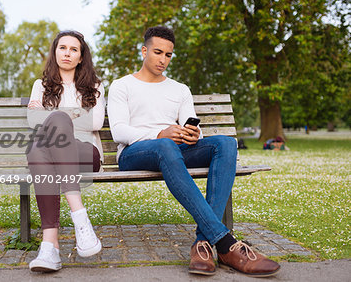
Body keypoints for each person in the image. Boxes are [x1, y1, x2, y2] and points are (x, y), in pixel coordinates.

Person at [107, 26, 280, 277]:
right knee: (166, 145)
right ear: (144, 51)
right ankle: (225, 244)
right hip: (134, 152)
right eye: (158, 52)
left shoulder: (180, 89)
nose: (163, 59)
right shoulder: (122, 85)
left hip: (173, 151)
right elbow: (119, 131)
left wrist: (192, 135)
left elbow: (192, 125)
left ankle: (202, 244)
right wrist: (160, 134)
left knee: (226, 143)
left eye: (168, 55)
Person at [26, 30, 104, 272]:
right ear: (55, 52)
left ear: (81, 57)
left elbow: (96, 123)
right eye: (62, 48)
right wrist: (73, 115)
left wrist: (53, 115)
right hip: (50, 156)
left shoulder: (95, 86)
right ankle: (54, 243)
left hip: (86, 154)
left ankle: (55, 242)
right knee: (38, 151)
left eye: (73, 49)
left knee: (56, 123)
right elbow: (32, 121)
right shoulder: (40, 85)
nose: (67, 53)